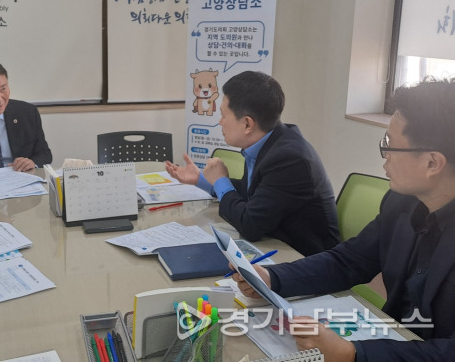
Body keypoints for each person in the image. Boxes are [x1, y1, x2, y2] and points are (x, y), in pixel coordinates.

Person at [235, 78, 455, 361]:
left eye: (391, 145)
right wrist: (272, 278)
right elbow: (350, 261)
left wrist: (354, 354)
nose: (385, 156)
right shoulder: (402, 202)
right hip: (395, 340)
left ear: (432, 163)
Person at [166, 71, 339, 256]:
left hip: (303, 258)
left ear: (248, 124)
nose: (220, 122)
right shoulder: (269, 142)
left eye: (224, 115)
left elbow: (249, 225)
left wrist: (220, 181)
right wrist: (201, 179)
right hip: (274, 245)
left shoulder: (290, 160)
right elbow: (253, 193)